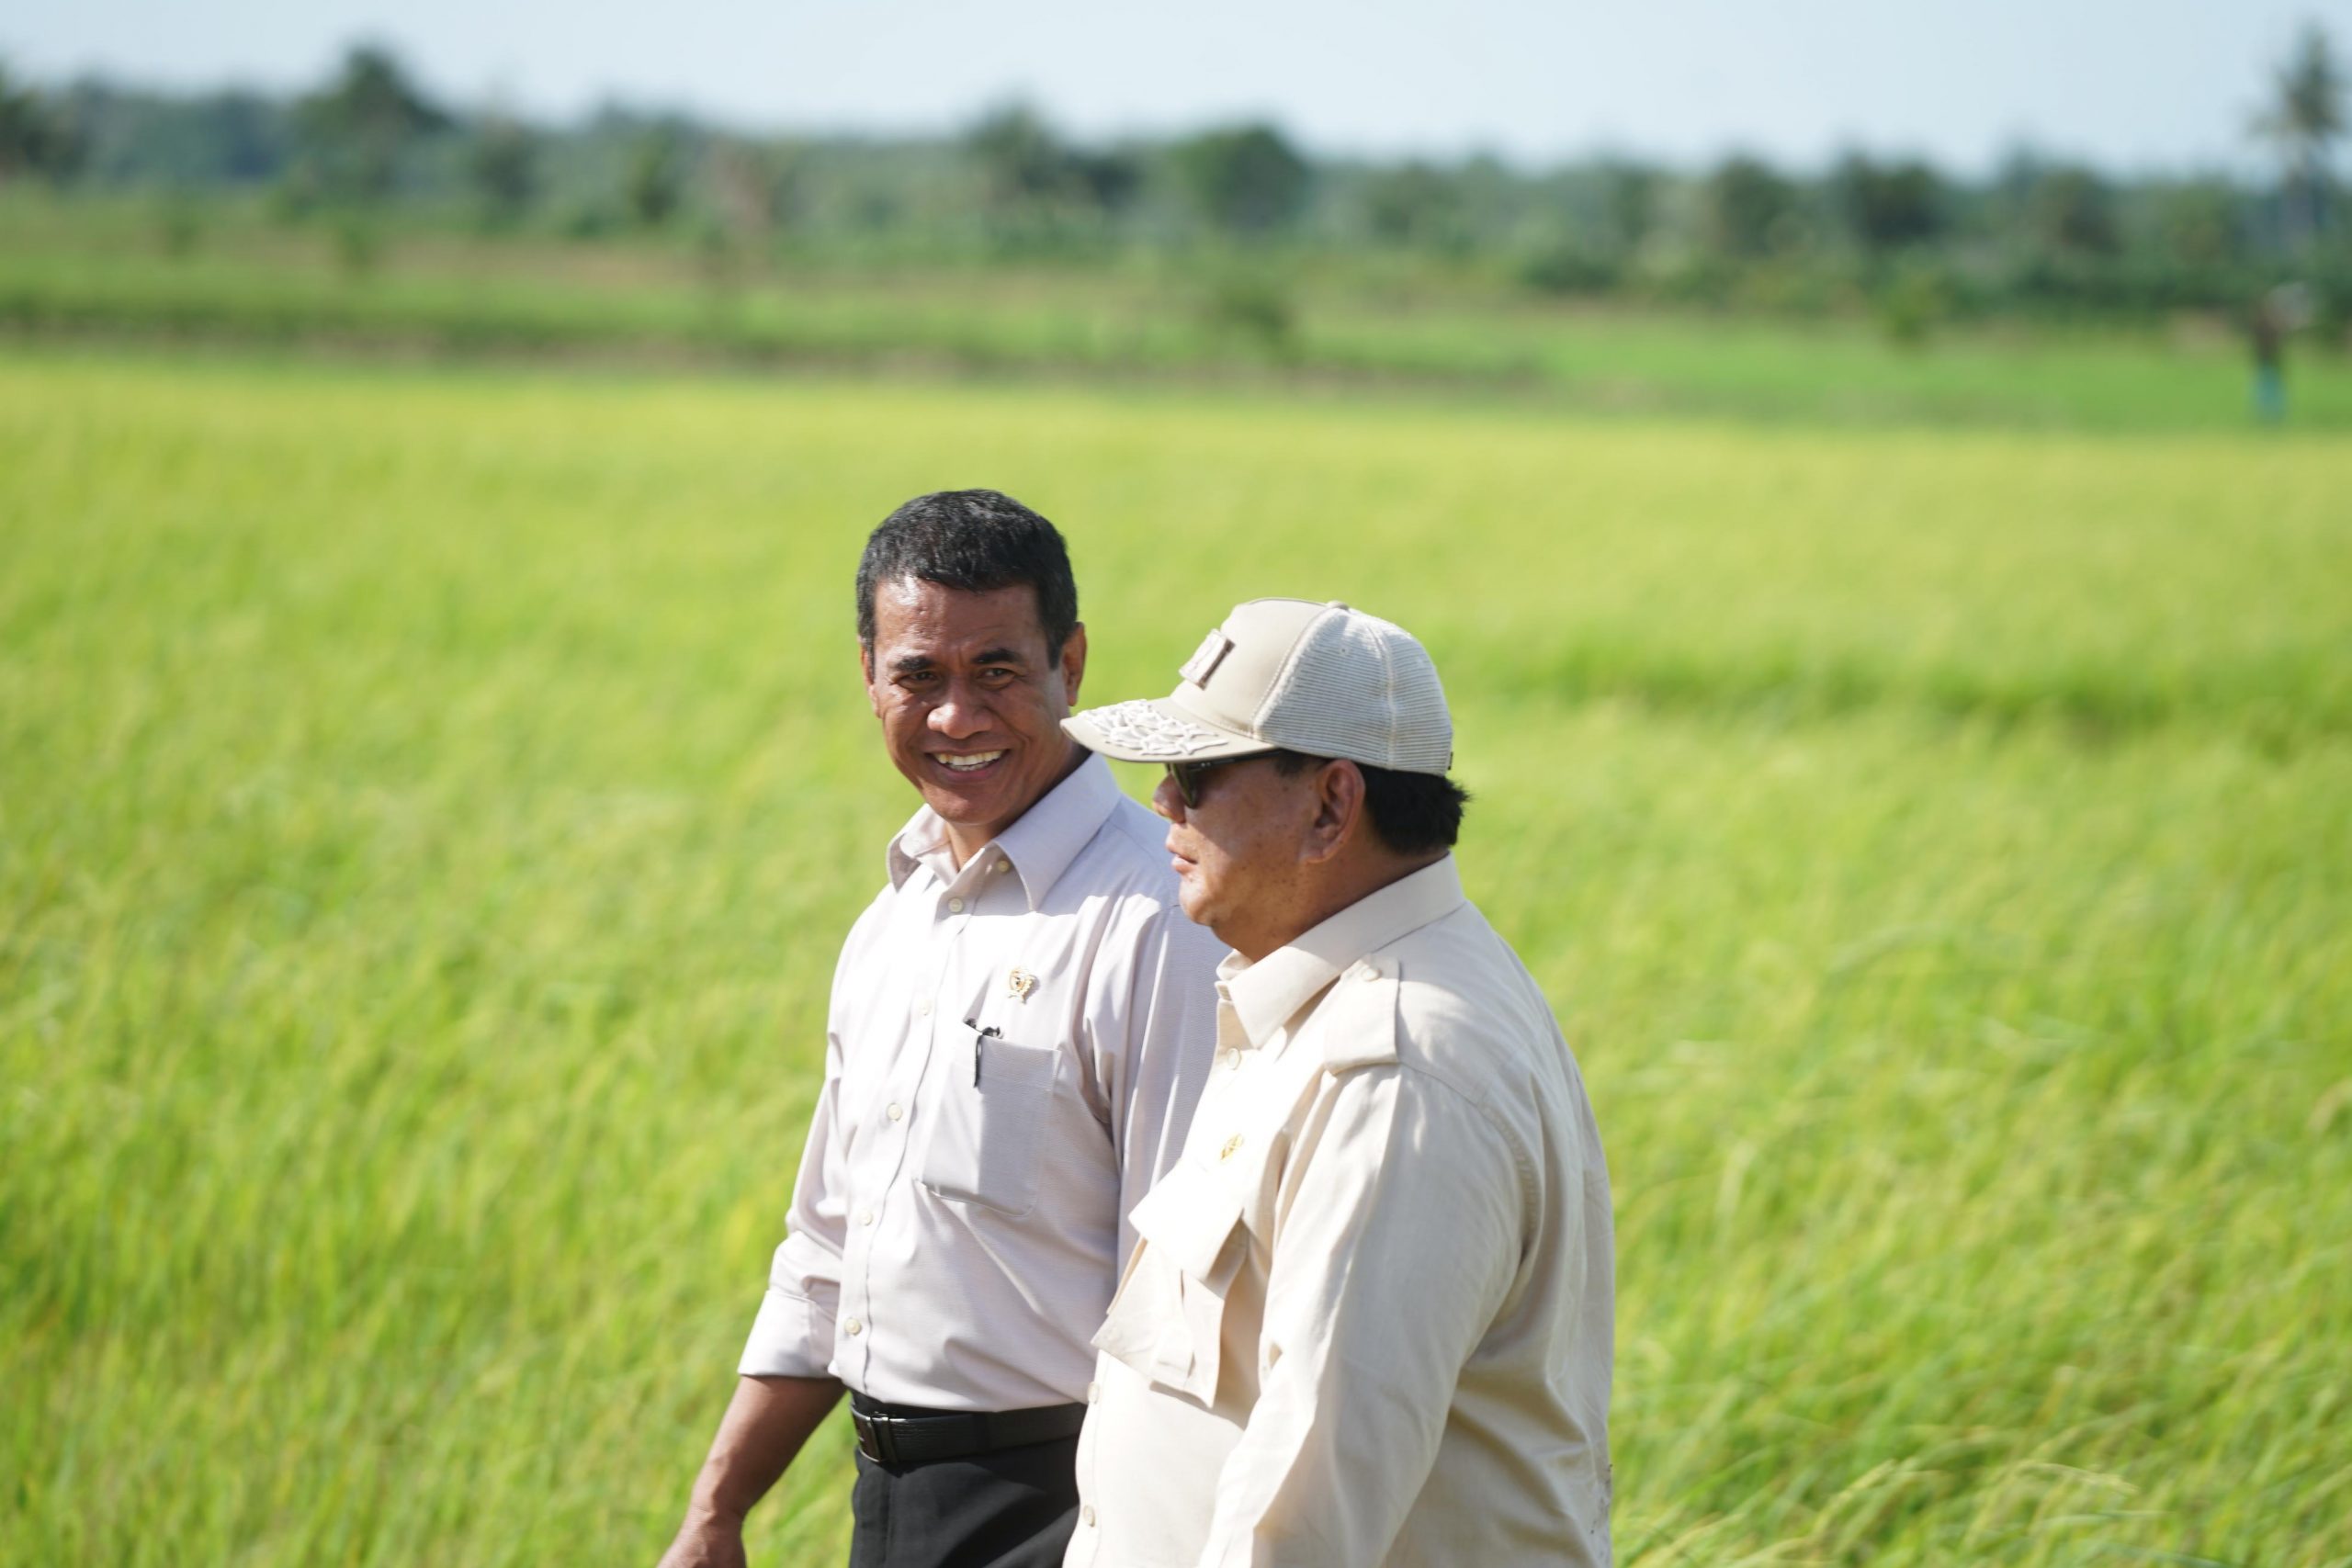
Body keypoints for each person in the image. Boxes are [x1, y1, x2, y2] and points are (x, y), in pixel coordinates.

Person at [656, 491, 1223, 1568]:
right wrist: (716, 1512)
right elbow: (828, 1251)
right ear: (869, 676)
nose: (956, 717)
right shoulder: (893, 921)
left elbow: (1182, 1302)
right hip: (893, 1504)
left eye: (998, 671)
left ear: (1073, 665)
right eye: (919, 676)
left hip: (1074, 1505)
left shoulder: (1156, 922)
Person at [1057, 598, 1614, 1568]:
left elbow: (1306, 1498)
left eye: (1194, 774)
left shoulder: (1396, 1070)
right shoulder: (1323, 1002)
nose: (1164, 807)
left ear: (1330, 806)